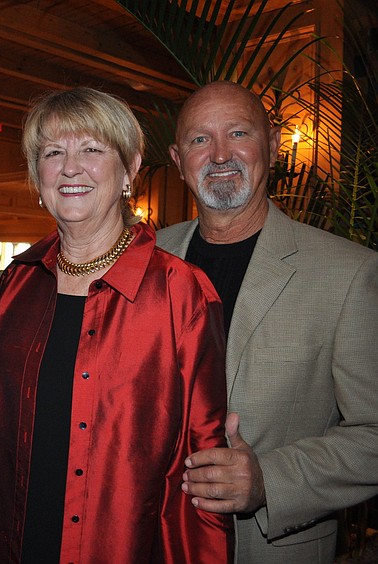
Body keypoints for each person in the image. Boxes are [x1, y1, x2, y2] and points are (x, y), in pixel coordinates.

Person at [0, 87, 233, 563]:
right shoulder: (15, 289)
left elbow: (206, 478)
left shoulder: (181, 294)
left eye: (92, 150)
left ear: (131, 167)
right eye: (53, 152)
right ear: (38, 174)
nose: (70, 168)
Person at [159, 80, 378, 563]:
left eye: (238, 133)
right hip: (146, 539)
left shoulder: (349, 273)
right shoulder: (144, 258)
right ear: (178, 161)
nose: (219, 155)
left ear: (274, 147)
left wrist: (270, 481)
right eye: (200, 140)